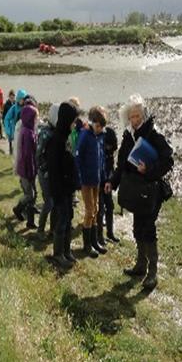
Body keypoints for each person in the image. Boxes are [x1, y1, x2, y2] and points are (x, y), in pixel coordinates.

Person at [105, 94, 173, 290]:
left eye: (137, 116)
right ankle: (140, 265)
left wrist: (149, 171)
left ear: (143, 115)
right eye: (131, 117)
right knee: (137, 228)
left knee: (148, 229)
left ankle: (152, 273)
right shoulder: (128, 136)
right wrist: (112, 181)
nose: (134, 120)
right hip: (136, 191)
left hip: (151, 190)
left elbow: (168, 161)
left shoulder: (154, 135)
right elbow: (122, 165)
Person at [47, 102, 81, 268]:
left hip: (68, 189)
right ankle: (57, 254)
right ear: (66, 119)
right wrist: (57, 192)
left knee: (68, 219)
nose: (75, 124)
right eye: (73, 121)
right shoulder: (56, 140)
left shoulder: (67, 136)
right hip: (60, 190)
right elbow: (54, 170)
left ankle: (66, 251)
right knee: (61, 221)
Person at [75, 106, 109, 257]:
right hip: (86, 180)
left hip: (96, 180)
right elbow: (78, 157)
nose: (100, 129)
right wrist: (79, 177)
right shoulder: (85, 136)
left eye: (102, 127)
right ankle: (87, 245)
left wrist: (104, 177)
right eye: (98, 126)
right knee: (89, 210)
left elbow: (101, 159)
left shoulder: (99, 137)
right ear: (92, 123)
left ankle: (94, 241)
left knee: (95, 209)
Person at [12, 103, 39, 230]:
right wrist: (31, 171)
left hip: (28, 168)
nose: (36, 120)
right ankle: (18, 209)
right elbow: (28, 155)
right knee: (30, 195)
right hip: (27, 169)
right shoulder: (27, 133)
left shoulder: (27, 130)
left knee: (33, 194)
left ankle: (30, 220)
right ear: (29, 118)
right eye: (35, 118)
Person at [35, 103, 59, 238]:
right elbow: (38, 155)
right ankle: (40, 229)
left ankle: (52, 229)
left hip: (52, 172)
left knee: (54, 201)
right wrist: (45, 169)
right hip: (44, 173)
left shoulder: (56, 132)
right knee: (49, 202)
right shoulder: (45, 134)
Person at [97, 125, 119, 243]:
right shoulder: (99, 152)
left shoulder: (110, 154)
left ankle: (110, 233)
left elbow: (111, 169)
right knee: (99, 210)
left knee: (110, 206)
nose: (109, 147)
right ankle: (99, 236)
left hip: (107, 183)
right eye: (107, 145)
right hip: (99, 183)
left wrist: (110, 181)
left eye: (111, 145)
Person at [4, 89, 27, 155]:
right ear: (18, 99)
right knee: (16, 150)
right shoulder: (14, 108)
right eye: (20, 99)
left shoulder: (27, 108)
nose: (22, 100)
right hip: (16, 132)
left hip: (25, 132)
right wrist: (8, 131)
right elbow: (6, 119)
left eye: (23, 99)